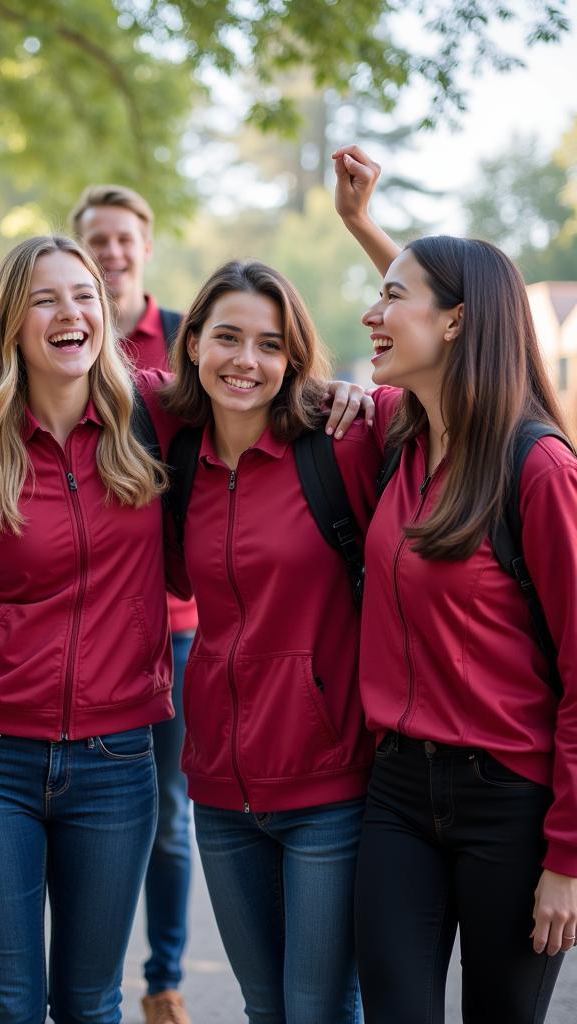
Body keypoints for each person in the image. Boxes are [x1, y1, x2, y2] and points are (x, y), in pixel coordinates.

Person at [334, 144, 577, 1023]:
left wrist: (569, 858)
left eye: (391, 300)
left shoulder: (536, 467)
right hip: (397, 791)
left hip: (510, 807)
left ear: (458, 325)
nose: (373, 313)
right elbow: (442, 303)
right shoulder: (403, 433)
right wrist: (364, 227)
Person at [0, 234, 177, 1024]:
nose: (69, 312)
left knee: (90, 1002)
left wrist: (345, 396)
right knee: (5, 1004)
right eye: (45, 298)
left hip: (116, 761)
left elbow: (269, 382)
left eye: (84, 295)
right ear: (10, 326)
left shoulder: (161, 423)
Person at [159, 258, 378, 1023]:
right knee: (265, 1009)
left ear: (293, 358)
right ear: (193, 344)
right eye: (227, 337)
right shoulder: (177, 456)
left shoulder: (341, 445)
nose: (246, 362)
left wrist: (361, 237)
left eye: (270, 344)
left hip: (330, 784)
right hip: (219, 788)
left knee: (318, 1007)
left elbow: (456, 377)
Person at [71, 184, 195, 1024]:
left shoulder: (187, 340)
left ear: (144, 248)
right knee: (95, 812)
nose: (112, 253)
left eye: (123, 240)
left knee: (167, 814)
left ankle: (164, 979)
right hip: (92, 629)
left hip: (178, 629)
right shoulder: (61, 338)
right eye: (96, 243)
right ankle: (97, 973)